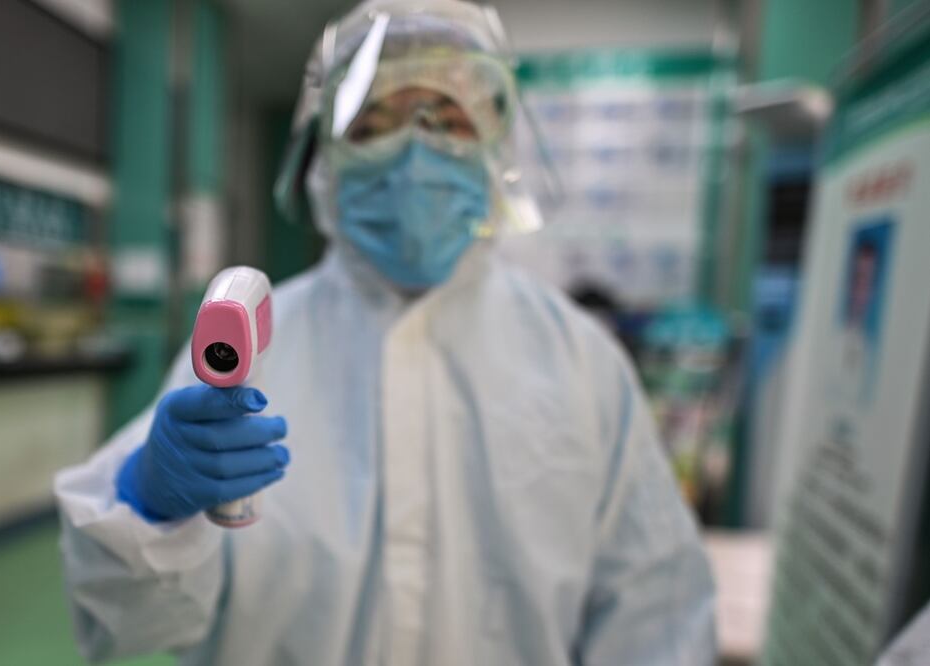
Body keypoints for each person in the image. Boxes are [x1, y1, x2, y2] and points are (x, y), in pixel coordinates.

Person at [54, 1, 716, 664]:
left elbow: (654, 613)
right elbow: (135, 628)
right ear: (325, 161)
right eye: (375, 126)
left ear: (495, 148)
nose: (414, 155)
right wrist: (150, 507)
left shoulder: (580, 363)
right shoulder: (252, 344)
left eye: (447, 122)